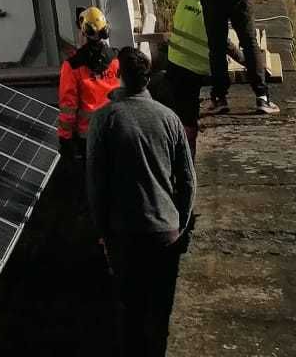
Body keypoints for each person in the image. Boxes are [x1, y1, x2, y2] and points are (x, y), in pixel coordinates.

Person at [88, 44, 196, 357]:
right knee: (162, 313)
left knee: (130, 314)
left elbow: (96, 184)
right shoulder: (170, 119)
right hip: (166, 232)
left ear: (118, 76)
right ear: (146, 79)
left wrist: (102, 232)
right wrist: (180, 223)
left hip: (124, 235)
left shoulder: (104, 120)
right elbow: (188, 180)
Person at [156, 0, 211, 156]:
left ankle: (177, 149)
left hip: (174, 65)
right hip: (194, 71)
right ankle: (187, 152)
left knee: (178, 112)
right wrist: (248, 60)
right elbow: (225, 44)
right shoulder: (210, 9)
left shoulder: (183, 2)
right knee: (189, 118)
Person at [58, 6, 121, 157]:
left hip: (89, 139)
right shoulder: (115, 59)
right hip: (117, 131)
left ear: (83, 32)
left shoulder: (72, 66)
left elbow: (68, 108)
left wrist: (65, 138)